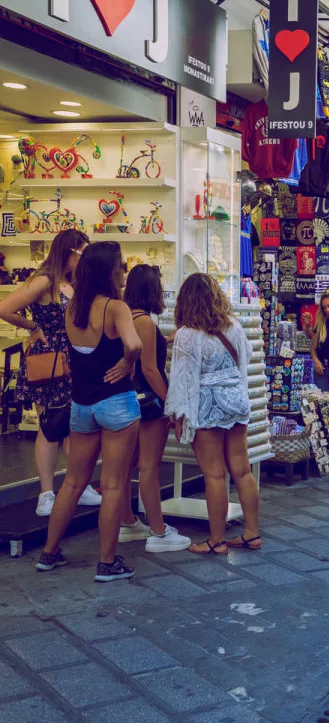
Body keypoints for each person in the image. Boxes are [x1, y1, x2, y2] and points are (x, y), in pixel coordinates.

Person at [36, 242, 142, 581]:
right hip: (116, 404)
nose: (124, 271)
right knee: (111, 485)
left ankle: (49, 553)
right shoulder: (116, 307)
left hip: (80, 406)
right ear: (109, 271)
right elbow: (135, 344)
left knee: (71, 483)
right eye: (121, 266)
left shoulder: (72, 308)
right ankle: (107, 562)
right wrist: (128, 362)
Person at [0, 229, 102, 516]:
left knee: (73, 425)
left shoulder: (71, 282)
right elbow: (5, 308)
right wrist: (34, 328)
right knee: (50, 424)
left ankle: (76, 486)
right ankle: (46, 493)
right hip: (50, 358)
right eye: (83, 253)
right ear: (70, 252)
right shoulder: (45, 280)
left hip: (72, 357)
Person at [165, 273, 260, 554]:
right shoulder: (233, 325)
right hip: (235, 400)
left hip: (206, 405)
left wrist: (179, 416)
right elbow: (249, 356)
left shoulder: (187, 335)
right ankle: (252, 533)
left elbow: (182, 379)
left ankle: (217, 541)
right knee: (242, 471)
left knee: (214, 475)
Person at [120, 265, 191, 553]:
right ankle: (158, 531)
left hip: (127, 400)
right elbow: (150, 369)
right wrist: (169, 404)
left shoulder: (125, 318)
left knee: (127, 466)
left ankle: (127, 521)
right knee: (149, 467)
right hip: (149, 403)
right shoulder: (146, 323)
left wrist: (166, 339)